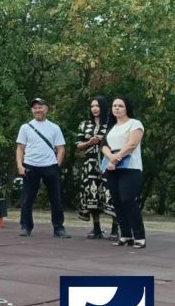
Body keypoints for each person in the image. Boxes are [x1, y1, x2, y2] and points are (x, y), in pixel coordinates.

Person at [16, 98, 70, 238]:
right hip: (30, 165)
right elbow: (20, 148)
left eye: (40, 107)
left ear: (46, 109)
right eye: (35, 108)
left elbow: (61, 149)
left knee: (56, 198)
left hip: (50, 166)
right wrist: (20, 166)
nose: (38, 110)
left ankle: (58, 228)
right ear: (31, 110)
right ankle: (26, 227)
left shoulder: (54, 127)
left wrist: (57, 165)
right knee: (27, 198)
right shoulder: (25, 127)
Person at [101, 96, 146, 249]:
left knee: (128, 199)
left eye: (121, 105)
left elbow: (132, 144)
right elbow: (104, 145)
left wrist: (116, 159)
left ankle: (139, 236)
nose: (117, 108)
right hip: (112, 168)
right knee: (117, 201)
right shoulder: (112, 127)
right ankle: (126, 235)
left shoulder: (135, 123)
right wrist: (110, 158)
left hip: (130, 167)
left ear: (127, 108)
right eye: (115, 106)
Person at [75, 96, 116, 239]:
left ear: (103, 107)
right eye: (92, 106)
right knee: (92, 195)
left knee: (110, 193)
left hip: (108, 163)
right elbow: (78, 145)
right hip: (90, 164)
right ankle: (96, 228)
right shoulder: (84, 124)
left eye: (97, 106)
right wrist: (90, 142)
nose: (94, 109)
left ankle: (115, 229)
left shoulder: (111, 124)